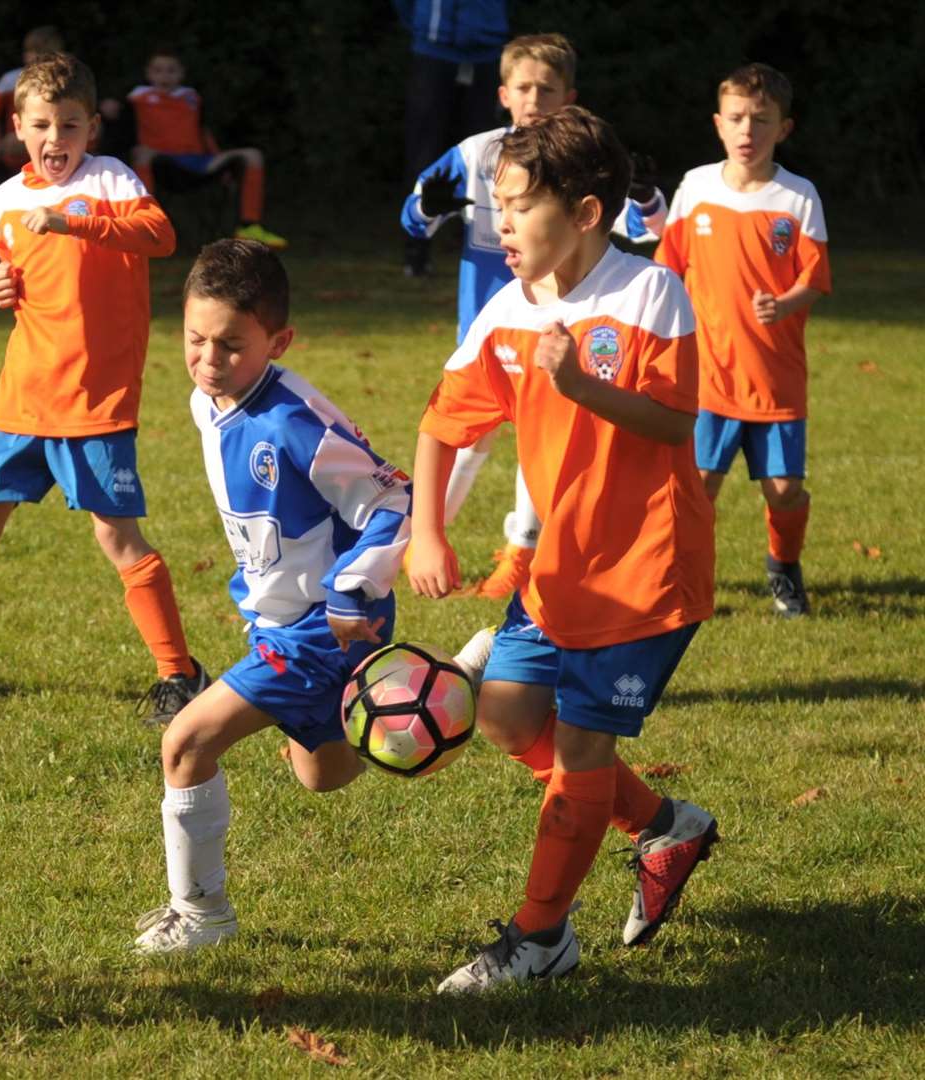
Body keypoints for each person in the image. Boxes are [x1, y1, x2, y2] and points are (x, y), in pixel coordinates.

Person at [407, 107, 719, 993]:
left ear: (585, 213)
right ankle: (666, 825)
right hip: (559, 571)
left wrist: (580, 383)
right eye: (495, 207)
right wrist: (429, 529)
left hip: (644, 572)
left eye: (516, 207)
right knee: (506, 718)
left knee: (579, 755)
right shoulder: (509, 309)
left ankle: (541, 938)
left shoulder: (649, 293)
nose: (498, 225)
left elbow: (672, 420)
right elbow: (441, 425)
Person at [132, 238, 476, 954]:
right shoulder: (210, 399)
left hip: (322, 627)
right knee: (325, 775)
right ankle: (437, 686)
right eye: (194, 339)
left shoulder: (296, 423)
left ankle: (202, 915)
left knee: (186, 743)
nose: (207, 360)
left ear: (278, 341)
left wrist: (353, 587)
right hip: (280, 620)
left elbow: (394, 503)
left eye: (231, 345)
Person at [0, 53, 207, 727]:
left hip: (96, 401)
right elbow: (17, 273)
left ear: (92, 129)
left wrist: (76, 221)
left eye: (70, 125)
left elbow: (161, 235)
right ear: (18, 127)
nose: (56, 139)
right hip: (24, 396)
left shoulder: (113, 180)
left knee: (117, 536)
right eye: (43, 125)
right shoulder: (5, 200)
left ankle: (178, 675)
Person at [402, 33, 670, 601]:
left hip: (562, 337)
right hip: (488, 333)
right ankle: (421, 539)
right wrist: (428, 206)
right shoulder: (476, 156)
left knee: (539, 445)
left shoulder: (578, 166)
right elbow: (412, 219)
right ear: (503, 94)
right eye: (523, 87)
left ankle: (521, 553)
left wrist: (646, 200)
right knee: (465, 443)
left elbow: (645, 234)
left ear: (569, 96)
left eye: (547, 88)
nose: (534, 98)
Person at [656, 63, 830, 617]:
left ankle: (784, 567)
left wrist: (784, 303)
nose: (747, 130)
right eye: (736, 118)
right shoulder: (696, 188)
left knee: (783, 491)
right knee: (700, 486)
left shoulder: (798, 197)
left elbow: (815, 278)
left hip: (776, 378)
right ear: (718, 123)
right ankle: (688, 579)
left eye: (761, 119)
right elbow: (668, 268)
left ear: (784, 128)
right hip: (708, 376)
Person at [123, 45, 288, 250]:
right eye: (158, 70)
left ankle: (248, 225)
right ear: (148, 74)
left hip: (197, 161)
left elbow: (204, 131)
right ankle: (145, 224)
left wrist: (218, 158)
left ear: (181, 73)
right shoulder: (135, 98)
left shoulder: (192, 98)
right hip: (162, 162)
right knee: (141, 154)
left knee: (252, 155)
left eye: (171, 70)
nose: (164, 76)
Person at [395, 0, 508, 279]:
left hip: (487, 52)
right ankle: (416, 252)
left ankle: (488, 243)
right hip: (433, 51)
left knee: (491, 155)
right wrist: (425, 30)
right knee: (425, 154)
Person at [0, 26, 67, 175]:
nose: (35, 57)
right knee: (13, 142)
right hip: (22, 140)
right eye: (31, 51)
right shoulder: (11, 81)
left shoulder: (68, 80)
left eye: (43, 53)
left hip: (59, 137)